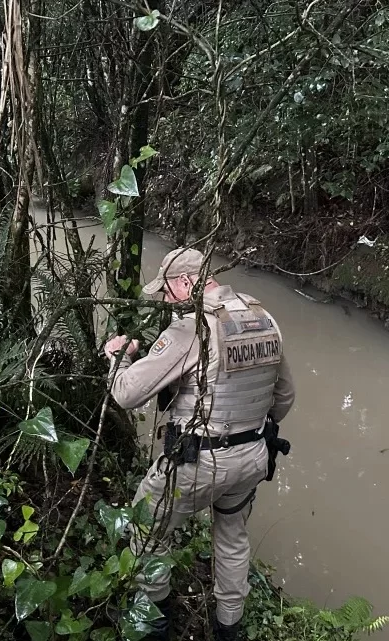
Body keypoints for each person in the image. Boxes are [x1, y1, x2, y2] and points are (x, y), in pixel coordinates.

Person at [104, 247, 296, 641]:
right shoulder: (264, 317)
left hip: (198, 462)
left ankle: (155, 622)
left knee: (147, 526)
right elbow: (285, 397)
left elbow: (125, 394)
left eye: (169, 291)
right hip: (254, 456)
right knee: (232, 537)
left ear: (187, 283)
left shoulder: (190, 329)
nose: (167, 300)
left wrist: (119, 356)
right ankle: (230, 628)